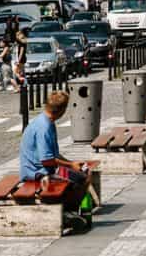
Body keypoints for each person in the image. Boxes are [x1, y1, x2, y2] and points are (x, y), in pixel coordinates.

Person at [18, 91, 92, 232]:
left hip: (41, 168)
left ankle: (69, 211)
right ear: (62, 110)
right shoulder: (44, 127)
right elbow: (46, 160)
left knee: (81, 172)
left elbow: (54, 155)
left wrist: (72, 163)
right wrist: (70, 165)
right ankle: (68, 213)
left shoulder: (45, 121)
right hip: (37, 172)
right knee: (83, 178)